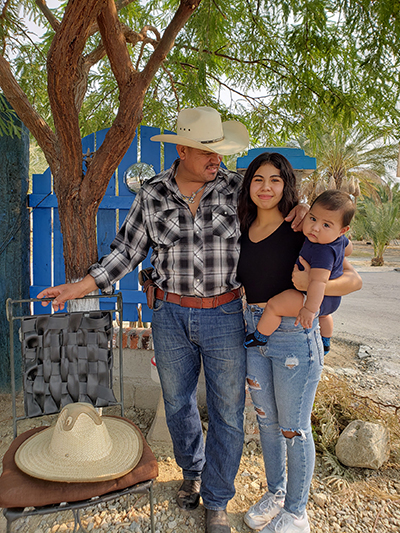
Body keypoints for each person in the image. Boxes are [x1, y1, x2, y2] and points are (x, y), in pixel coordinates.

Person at [37, 107, 307, 533]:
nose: (216, 158)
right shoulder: (152, 193)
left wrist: (302, 209)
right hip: (168, 315)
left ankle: (217, 498)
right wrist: (78, 287)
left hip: (224, 315)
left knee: (227, 412)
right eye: (205, 151)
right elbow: (126, 252)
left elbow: (283, 210)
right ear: (181, 149)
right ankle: (192, 473)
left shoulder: (238, 189)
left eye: (218, 150)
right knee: (179, 404)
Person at [236, 152, 362, 533]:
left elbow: (353, 279)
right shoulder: (242, 227)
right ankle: (276, 494)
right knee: (267, 423)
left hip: (293, 335)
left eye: (276, 179)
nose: (267, 187)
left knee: (294, 427)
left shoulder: (303, 228)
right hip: (254, 331)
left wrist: (313, 287)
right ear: (249, 184)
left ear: (286, 185)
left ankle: (296, 512)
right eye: (259, 179)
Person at [243, 189, 355, 355]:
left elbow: (318, 282)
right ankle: (325, 341)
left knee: (275, 306)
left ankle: (260, 335)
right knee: (325, 316)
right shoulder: (338, 240)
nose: (315, 228)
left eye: (326, 225)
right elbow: (348, 249)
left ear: (342, 230)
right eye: (312, 218)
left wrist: (309, 310)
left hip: (312, 299)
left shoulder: (321, 252)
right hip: (331, 302)